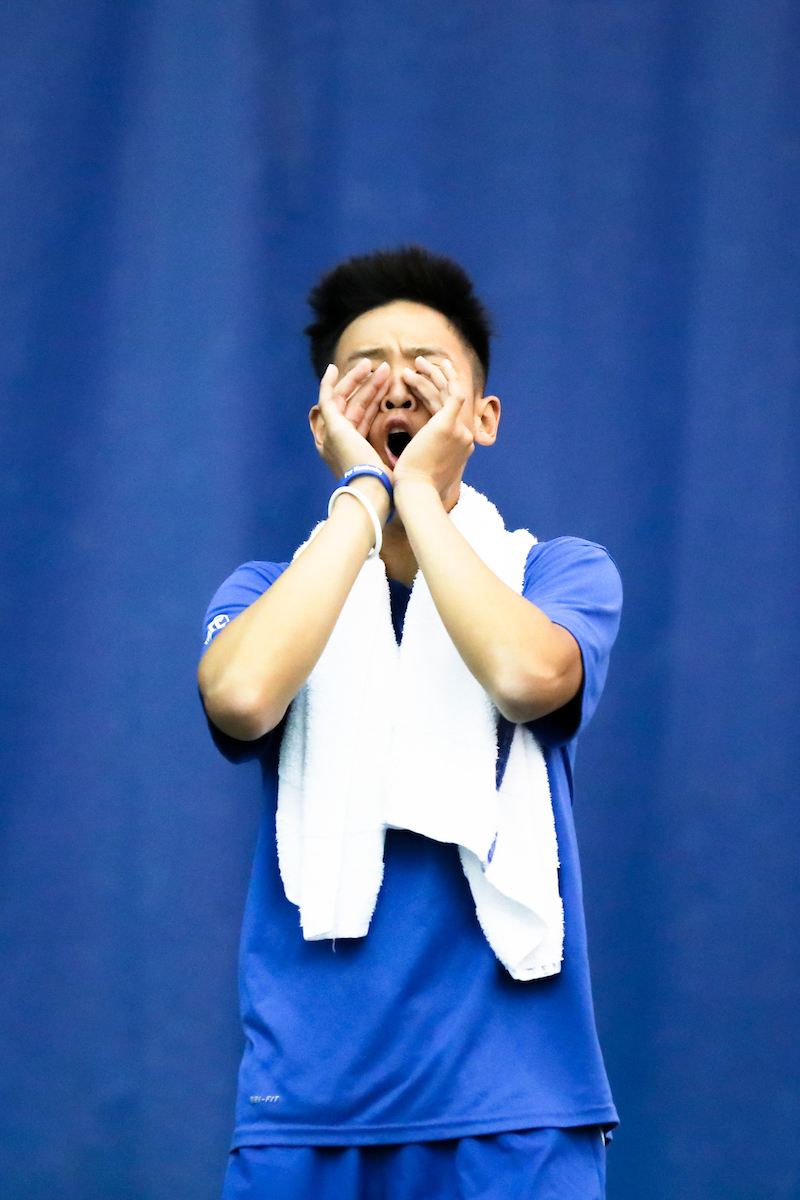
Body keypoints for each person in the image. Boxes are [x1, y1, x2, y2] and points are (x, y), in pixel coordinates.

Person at [198, 245, 622, 1200]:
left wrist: (420, 493)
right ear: (321, 421)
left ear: (484, 417)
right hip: (306, 1109)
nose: (397, 388)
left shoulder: (557, 576)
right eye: (366, 372)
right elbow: (242, 696)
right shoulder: (265, 594)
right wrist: (363, 495)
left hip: (519, 1108)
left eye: (426, 370)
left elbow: (525, 676)